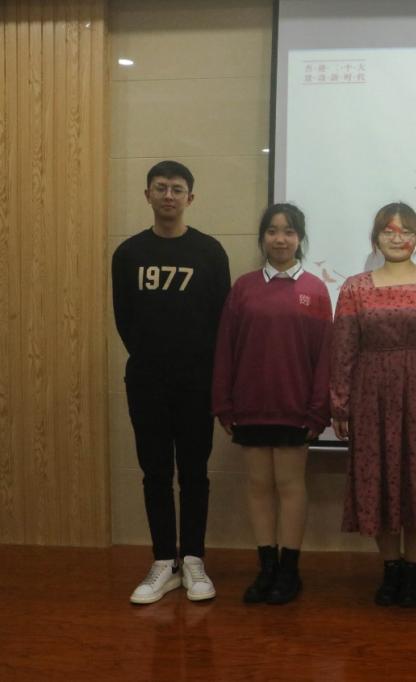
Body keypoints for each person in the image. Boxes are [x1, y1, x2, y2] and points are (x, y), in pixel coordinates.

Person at [331, 203, 416, 608]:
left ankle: (413, 569)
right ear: (376, 238)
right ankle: (390, 568)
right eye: (388, 231)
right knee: (378, 478)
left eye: (405, 231)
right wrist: (340, 404)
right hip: (371, 394)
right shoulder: (354, 287)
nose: (397, 237)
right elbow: (343, 350)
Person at [112, 160, 230, 605]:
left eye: (177, 189)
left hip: (197, 382)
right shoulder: (128, 254)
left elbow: (221, 320)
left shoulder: (210, 252)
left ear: (190, 198)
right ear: (147, 195)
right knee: (155, 472)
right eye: (160, 187)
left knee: (195, 472)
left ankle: (194, 559)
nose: (168, 195)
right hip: (147, 381)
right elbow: (124, 319)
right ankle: (164, 560)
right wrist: (154, 360)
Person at [212, 203, 332, 605]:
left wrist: (319, 410)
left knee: (291, 487)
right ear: (262, 237)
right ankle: (266, 567)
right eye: (273, 231)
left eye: (289, 232)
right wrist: (223, 404)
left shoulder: (315, 289)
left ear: (300, 238)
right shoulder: (244, 287)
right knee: (259, 487)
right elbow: (225, 349)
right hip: (250, 405)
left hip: (295, 408)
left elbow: (325, 356)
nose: (280, 239)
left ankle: (289, 570)